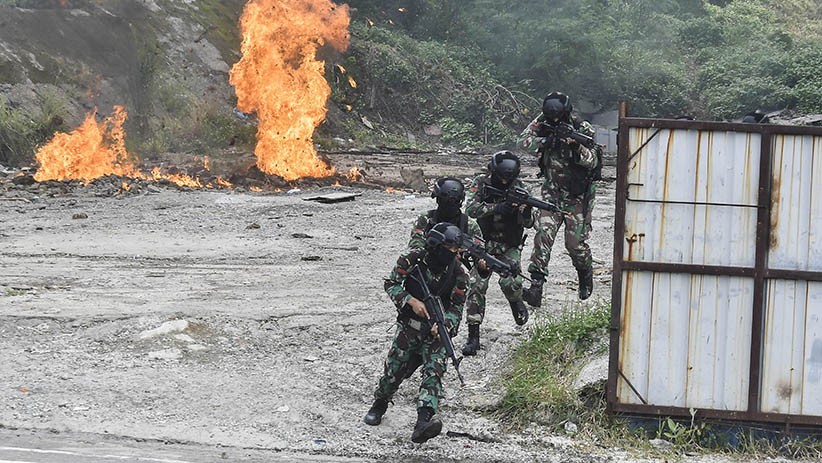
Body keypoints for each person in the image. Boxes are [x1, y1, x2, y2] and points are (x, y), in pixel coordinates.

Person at [363, 222, 469, 444]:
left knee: (434, 373)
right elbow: (391, 283)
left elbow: (457, 307)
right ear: (436, 246)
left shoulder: (459, 274)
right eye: (450, 250)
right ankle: (380, 403)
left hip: (435, 334)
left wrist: (446, 325)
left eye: (456, 251)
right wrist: (410, 301)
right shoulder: (412, 260)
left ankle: (423, 422)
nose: (454, 255)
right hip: (410, 328)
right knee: (394, 371)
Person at [519, 91, 599, 306]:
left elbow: (592, 161)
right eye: (550, 116)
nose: (553, 120)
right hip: (551, 193)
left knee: (574, 245)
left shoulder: (583, 128)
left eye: (557, 116)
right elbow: (523, 142)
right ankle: (536, 286)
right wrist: (546, 141)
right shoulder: (542, 121)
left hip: (577, 197)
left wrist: (575, 145)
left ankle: (584, 273)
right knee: (543, 235)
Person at [462, 151, 534, 355]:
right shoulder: (481, 183)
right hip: (483, 242)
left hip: (509, 244)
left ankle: (516, 301)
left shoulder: (521, 189)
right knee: (476, 285)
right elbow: (470, 210)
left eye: (507, 178)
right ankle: (473, 335)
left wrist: (525, 211)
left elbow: (530, 223)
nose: (503, 181)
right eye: (501, 176)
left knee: (510, 281)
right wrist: (497, 207)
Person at [408, 177, 483, 250]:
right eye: (446, 201)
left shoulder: (470, 225)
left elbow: (479, 251)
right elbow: (415, 243)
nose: (451, 205)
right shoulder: (426, 218)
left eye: (455, 201)